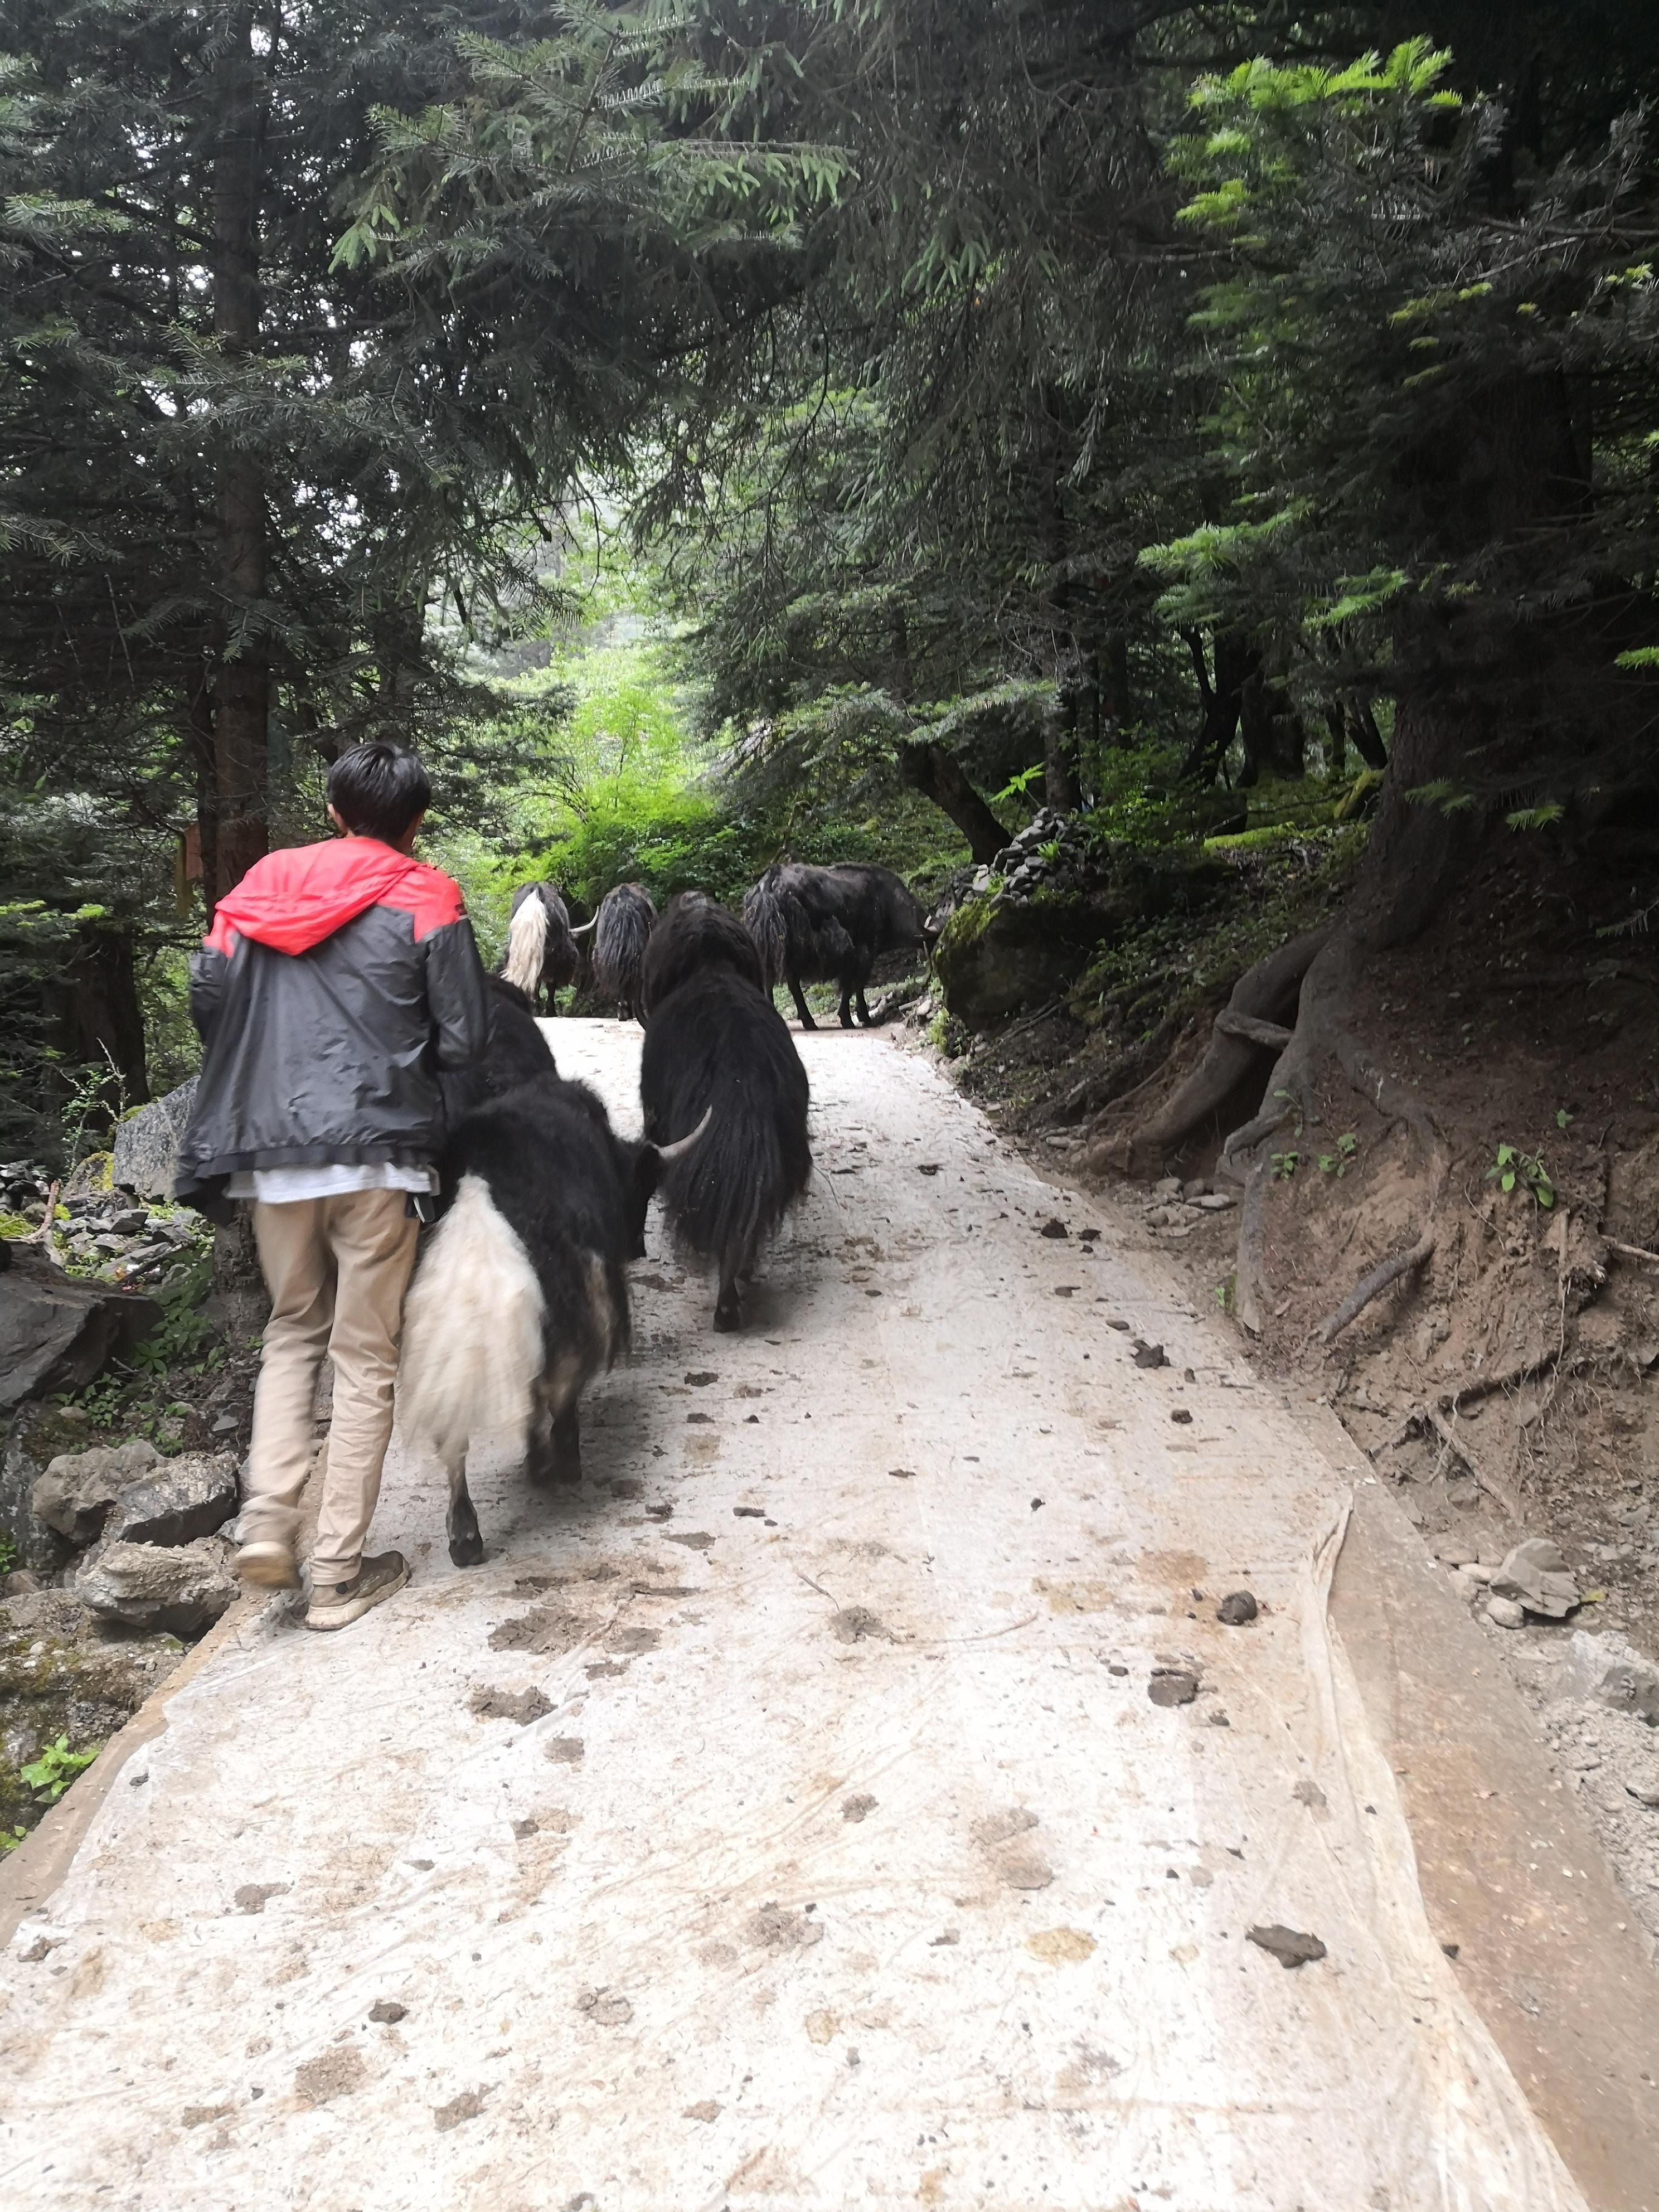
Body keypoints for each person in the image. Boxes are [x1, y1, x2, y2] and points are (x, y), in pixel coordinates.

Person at [175, 744, 488, 1631]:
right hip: (380, 1155)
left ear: (337, 809)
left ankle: (269, 1525)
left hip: (269, 1156)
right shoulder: (428, 893)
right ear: (415, 820)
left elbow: (209, 1003)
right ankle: (340, 1575)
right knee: (366, 1358)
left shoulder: (259, 886)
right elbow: (465, 1039)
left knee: (291, 1334)